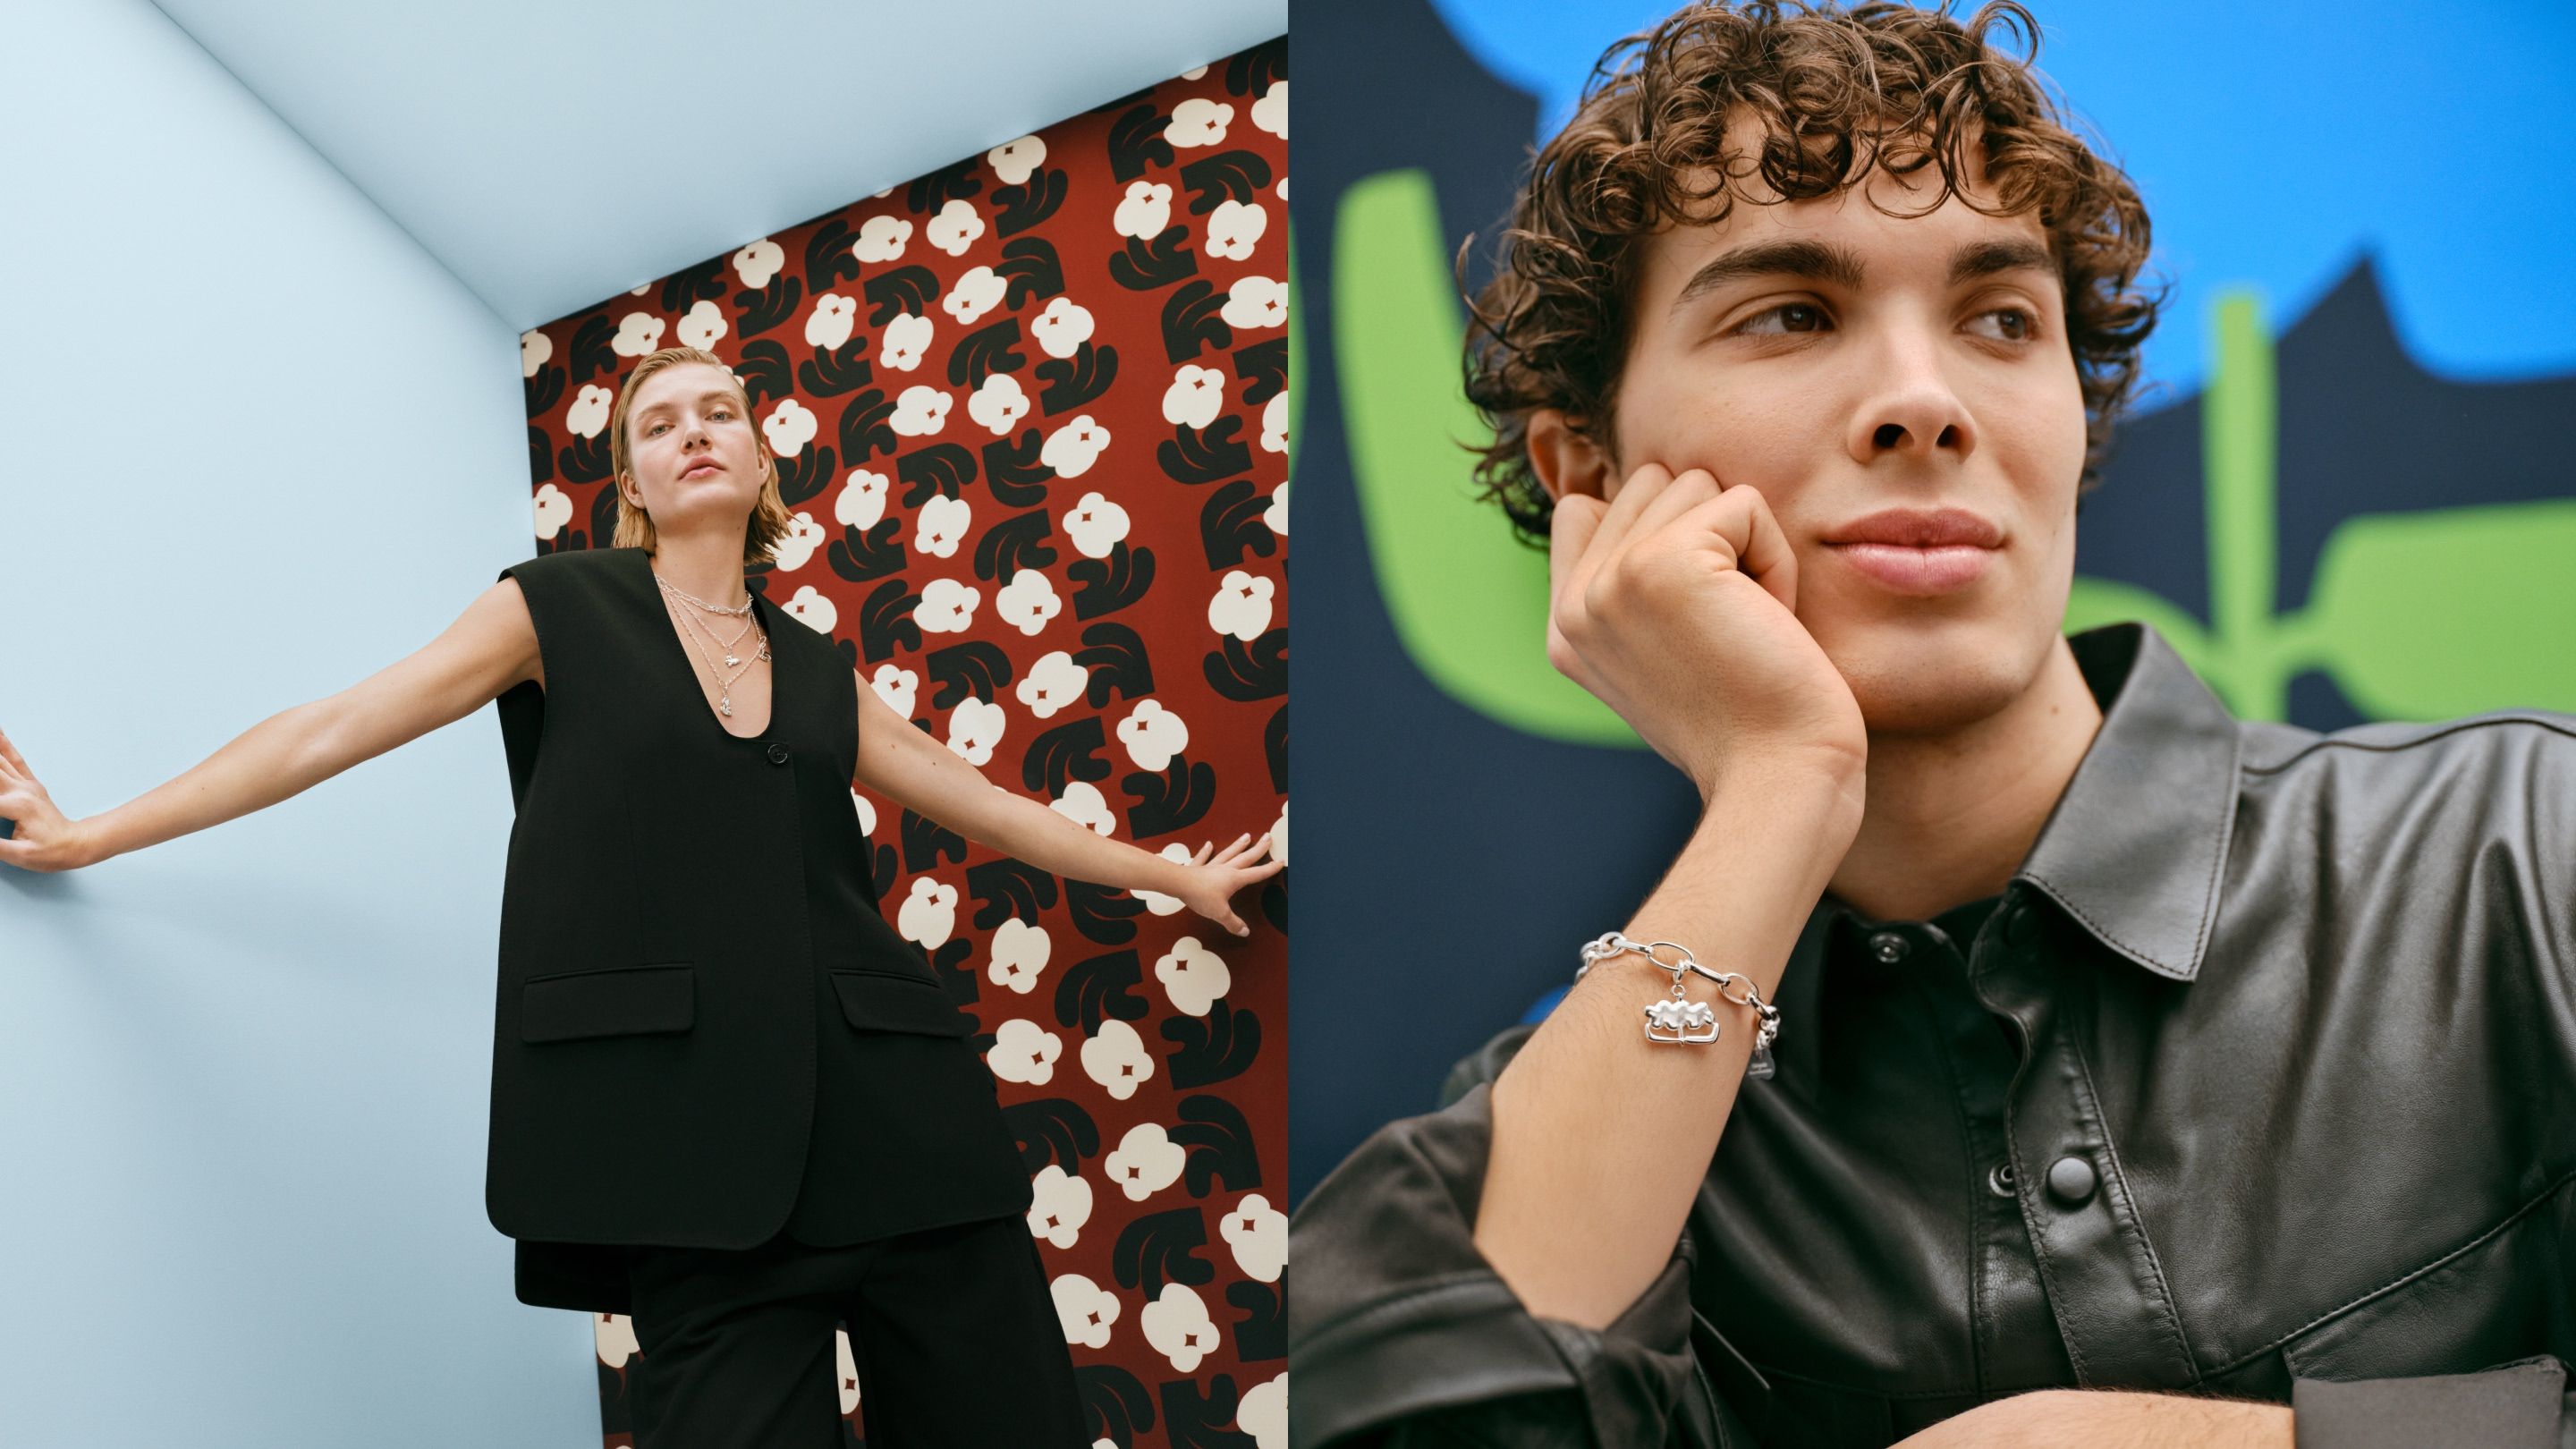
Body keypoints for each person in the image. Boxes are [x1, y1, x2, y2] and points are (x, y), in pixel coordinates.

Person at [1285, 3, 2575, 1446]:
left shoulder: (2526, 853)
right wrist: (1780, 782)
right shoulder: (1598, 1128)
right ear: (1589, 469)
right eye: (1793, 311)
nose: (1924, 401)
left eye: (1999, 320)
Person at [0, 343, 1282, 1448]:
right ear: (634, 483)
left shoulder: (819, 667)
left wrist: (1172, 874)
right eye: (657, 426)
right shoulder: (553, 611)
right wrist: (95, 834)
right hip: (691, 1164)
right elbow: (331, 728)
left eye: (717, 411)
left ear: (762, 463)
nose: (691, 434)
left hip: (905, 1139)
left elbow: (985, 801)